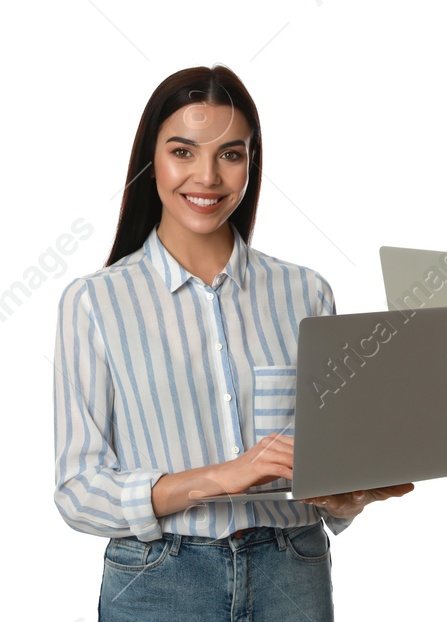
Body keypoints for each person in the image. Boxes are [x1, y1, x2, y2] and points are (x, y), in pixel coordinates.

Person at [52, 65, 410, 621]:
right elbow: (79, 491)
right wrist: (220, 477)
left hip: (292, 569)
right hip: (158, 577)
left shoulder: (306, 291)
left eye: (231, 154)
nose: (207, 177)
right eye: (183, 151)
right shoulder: (95, 302)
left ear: (251, 163)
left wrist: (353, 493)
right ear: (152, 161)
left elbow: (326, 474)